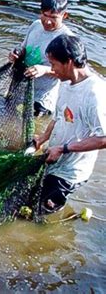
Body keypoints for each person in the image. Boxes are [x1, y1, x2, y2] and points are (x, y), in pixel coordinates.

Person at [33, 34, 106, 214]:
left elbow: (103, 139)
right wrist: (42, 138)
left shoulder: (95, 94)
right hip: (55, 158)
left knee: (38, 215)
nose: (52, 70)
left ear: (69, 62)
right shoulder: (65, 82)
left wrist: (63, 149)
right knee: (28, 202)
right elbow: (58, 117)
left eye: (54, 64)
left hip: (70, 172)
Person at [9, 0, 73, 117]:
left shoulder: (67, 39)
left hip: (41, 98)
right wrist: (16, 53)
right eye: (45, 15)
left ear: (64, 15)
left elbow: (69, 73)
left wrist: (44, 70)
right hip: (21, 87)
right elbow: (24, 48)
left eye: (54, 17)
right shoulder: (36, 25)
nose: (47, 21)